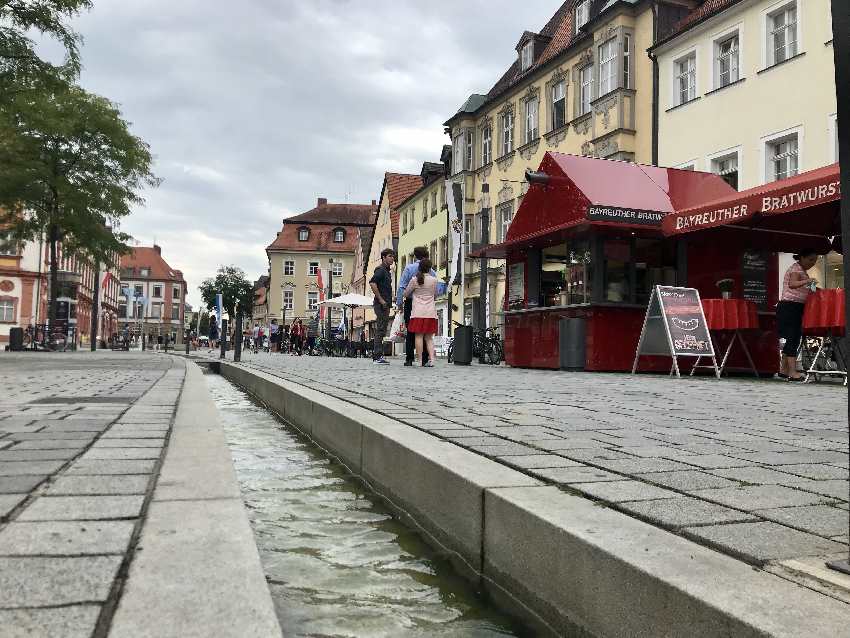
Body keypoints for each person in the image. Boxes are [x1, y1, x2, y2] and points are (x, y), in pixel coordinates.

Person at [777, 251, 819, 381]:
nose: (813, 263)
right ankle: (793, 372)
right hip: (790, 306)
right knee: (792, 338)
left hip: (794, 307)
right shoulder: (796, 268)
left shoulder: (802, 271)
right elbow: (792, 284)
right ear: (802, 257)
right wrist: (807, 280)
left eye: (815, 260)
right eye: (811, 259)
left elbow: (805, 289)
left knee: (791, 337)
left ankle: (783, 370)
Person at [397, 246, 438, 366]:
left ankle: (410, 358)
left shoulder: (409, 268)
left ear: (415, 256)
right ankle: (426, 359)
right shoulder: (433, 273)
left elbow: (402, 288)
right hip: (430, 308)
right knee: (427, 335)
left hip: (413, 305)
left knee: (411, 332)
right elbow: (436, 293)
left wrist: (399, 303)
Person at [403, 258, 446, 368]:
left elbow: (406, 293)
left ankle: (420, 360)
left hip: (417, 312)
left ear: (419, 267)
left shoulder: (414, 280)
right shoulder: (434, 280)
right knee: (429, 338)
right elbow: (436, 295)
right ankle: (432, 360)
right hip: (430, 312)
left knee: (418, 336)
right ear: (430, 268)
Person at [370, 248, 396, 364]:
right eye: (390, 256)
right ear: (384, 257)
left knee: (382, 329)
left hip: (385, 304)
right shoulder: (380, 270)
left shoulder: (387, 271)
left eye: (393, 256)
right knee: (380, 330)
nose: (392, 258)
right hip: (381, 305)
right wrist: (381, 299)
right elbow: (372, 282)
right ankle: (377, 357)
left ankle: (378, 356)